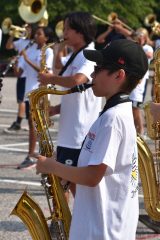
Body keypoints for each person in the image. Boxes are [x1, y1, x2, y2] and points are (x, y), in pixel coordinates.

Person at [36, 39, 148, 240]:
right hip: (103, 226)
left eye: (98, 68)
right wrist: (67, 176)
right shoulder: (114, 114)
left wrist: (52, 166)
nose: (92, 74)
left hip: (102, 231)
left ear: (118, 75)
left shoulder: (112, 119)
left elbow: (92, 177)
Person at [38, 11, 102, 196]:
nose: (63, 32)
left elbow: (78, 80)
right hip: (70, 132)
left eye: (67, 29)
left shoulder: (89, 54)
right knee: (66, 184)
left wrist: (50, 78)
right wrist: (57, 108)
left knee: (67, 183)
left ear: (80, 32)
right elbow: (77, 93)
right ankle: (67, 223)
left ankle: (66, 223)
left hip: (78, 133)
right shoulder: (77, 54)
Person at [16, 26, 54, 169]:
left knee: (35, 126)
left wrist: (26, 59)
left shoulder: (48, 51)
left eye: (39, 33)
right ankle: (35, 155)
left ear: (46, 38)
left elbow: (44, 71)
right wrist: (17, 62)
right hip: (29, 93)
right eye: (36, 33)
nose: (36, 35)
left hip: (40, 93)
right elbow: (20, 74)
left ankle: (32, 155)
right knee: (33, 126)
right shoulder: (30, 50)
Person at [4, 23, 37, 133]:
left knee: (22, 99)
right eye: (25, 28)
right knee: (22, 99)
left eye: (29, 28)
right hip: (20, 71)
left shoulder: (33, 43)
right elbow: (8, 46)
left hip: (26, 74)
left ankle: (19, 122)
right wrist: (13, 34)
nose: (26, 30)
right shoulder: (21, 42)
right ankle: (27, 121)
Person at [129, 27, 153, 135]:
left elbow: (149, 55)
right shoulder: (135, 46)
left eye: (141, 36)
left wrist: (140, 44)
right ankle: (135, 131)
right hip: (133, 79)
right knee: (132, 108)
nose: (138, 38)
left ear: (145, 37)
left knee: (136, 108)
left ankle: (141, 131)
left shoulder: (148, 48)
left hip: (141, 82)